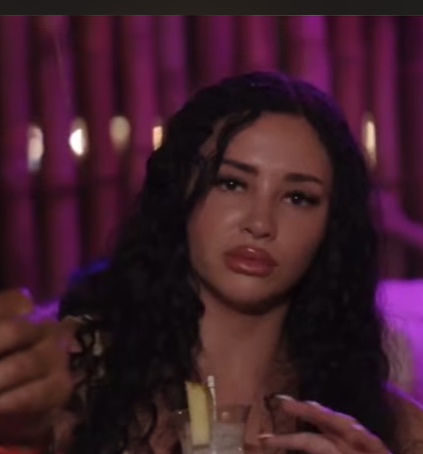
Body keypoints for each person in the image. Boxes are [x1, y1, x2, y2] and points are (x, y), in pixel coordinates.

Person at [0, 71, 422, 454]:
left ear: (332, 226)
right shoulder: (67, 381)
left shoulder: (389, 428)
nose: (260, 223)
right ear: (180, 192)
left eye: (298, 198)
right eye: (231, 183)